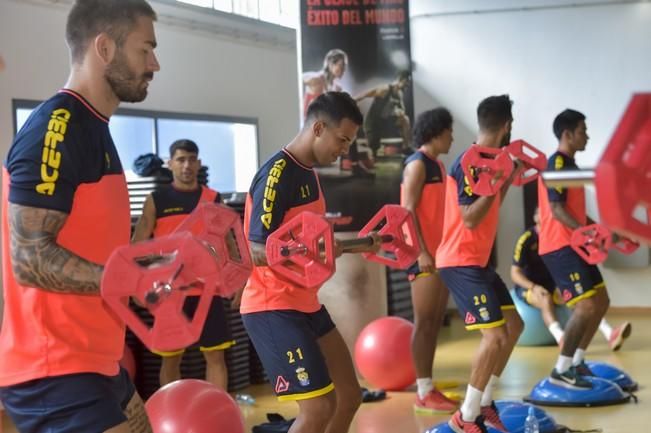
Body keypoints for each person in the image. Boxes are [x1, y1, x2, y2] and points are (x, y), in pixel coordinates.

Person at [0, 1, 160, 432]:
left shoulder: (93, 129)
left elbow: (96, 251)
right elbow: (30, 259)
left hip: (97, 361)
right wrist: (132, 281)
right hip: (53, 370)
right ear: (105, 48)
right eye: (146, 50)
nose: (155, 64)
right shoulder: (57, 126)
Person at [241, 92, 374, 433]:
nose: (345, 149)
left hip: (306, 304)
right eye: (342, 139)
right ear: (318, 128)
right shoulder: (277, 174)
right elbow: (256, 249)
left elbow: (305, 241)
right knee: (318, 408)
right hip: (273, 306)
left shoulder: (310, 174)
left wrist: (328, 247)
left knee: (349, 395)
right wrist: (309, 251)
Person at [436, 95, 524, 433]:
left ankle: (484, 402)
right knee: (495, 337)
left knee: (515, 326)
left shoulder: (494, 160)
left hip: (477, 262)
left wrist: (508, 177)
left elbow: (492, 204)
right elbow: (470, 219)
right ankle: (465, 417)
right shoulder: (466, 162)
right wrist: (499, 182)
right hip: (459, 261)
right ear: (506, 126)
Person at [132, 139, 236, 389]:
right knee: (170, 359)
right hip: (170, 292)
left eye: (191, 159)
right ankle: (170, 416)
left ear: (199, 163)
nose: (187, 165)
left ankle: (216, 414)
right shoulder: (156, 199)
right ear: (170, 164)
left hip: (207, 290)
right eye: (180, 159)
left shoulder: (213, 198)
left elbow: (230, 243)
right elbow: (137, 247)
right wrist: (137, 286)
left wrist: (237, 282)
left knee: (215, 357)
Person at [538, 109, 612, 389]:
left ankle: (578, 361)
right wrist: (586, 233)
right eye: (583, 130)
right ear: (567, 134)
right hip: (560, 246)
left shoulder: (570, 165)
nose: (587, 136)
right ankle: (561, 369)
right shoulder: (557, 162)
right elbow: (557, 210)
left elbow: (576, 214)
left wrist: (606, 233)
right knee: (586, 306)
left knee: (601, 302)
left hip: (576, 244)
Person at [400, 108, 458, 414]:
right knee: (424, 322)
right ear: (436, 131)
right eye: (449, 130)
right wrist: (421, 251)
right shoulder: (417, 165)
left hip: (440, 254)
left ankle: (428, 384)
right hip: (423, 256)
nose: (452, 136)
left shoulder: (439, 165)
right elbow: (406, 211)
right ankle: (423, 391)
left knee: (435, 321)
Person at [511, 208, 632, 350]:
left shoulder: (555, 238)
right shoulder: (526, 239)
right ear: (535, 217)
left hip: (552, 285)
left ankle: (610, 333)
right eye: (541, 213)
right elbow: (514, 273)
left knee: (582, 301)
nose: (546, 216)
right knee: (545, 298)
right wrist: (533, 287)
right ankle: (561, 338)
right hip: (529, 287)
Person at [355, 71, 412, 157]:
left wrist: (399, 111)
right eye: (407, 82)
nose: (408, 85)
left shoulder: (399, 94)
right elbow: (364, 95)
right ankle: (368, 146)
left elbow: (402, 110)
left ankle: (406, 147)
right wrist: (350, 101)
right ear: (400, 79)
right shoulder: (385, 89)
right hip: (373, 124)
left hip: (386, 123)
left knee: (405, 119)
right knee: (374, 151)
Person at [302, 49, 348, 119]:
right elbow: (295, 78)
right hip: (307, 125)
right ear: (330, 64)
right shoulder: (316, 79)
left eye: (345, 66)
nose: (344, 69)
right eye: (341, 65)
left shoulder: (337, 88)